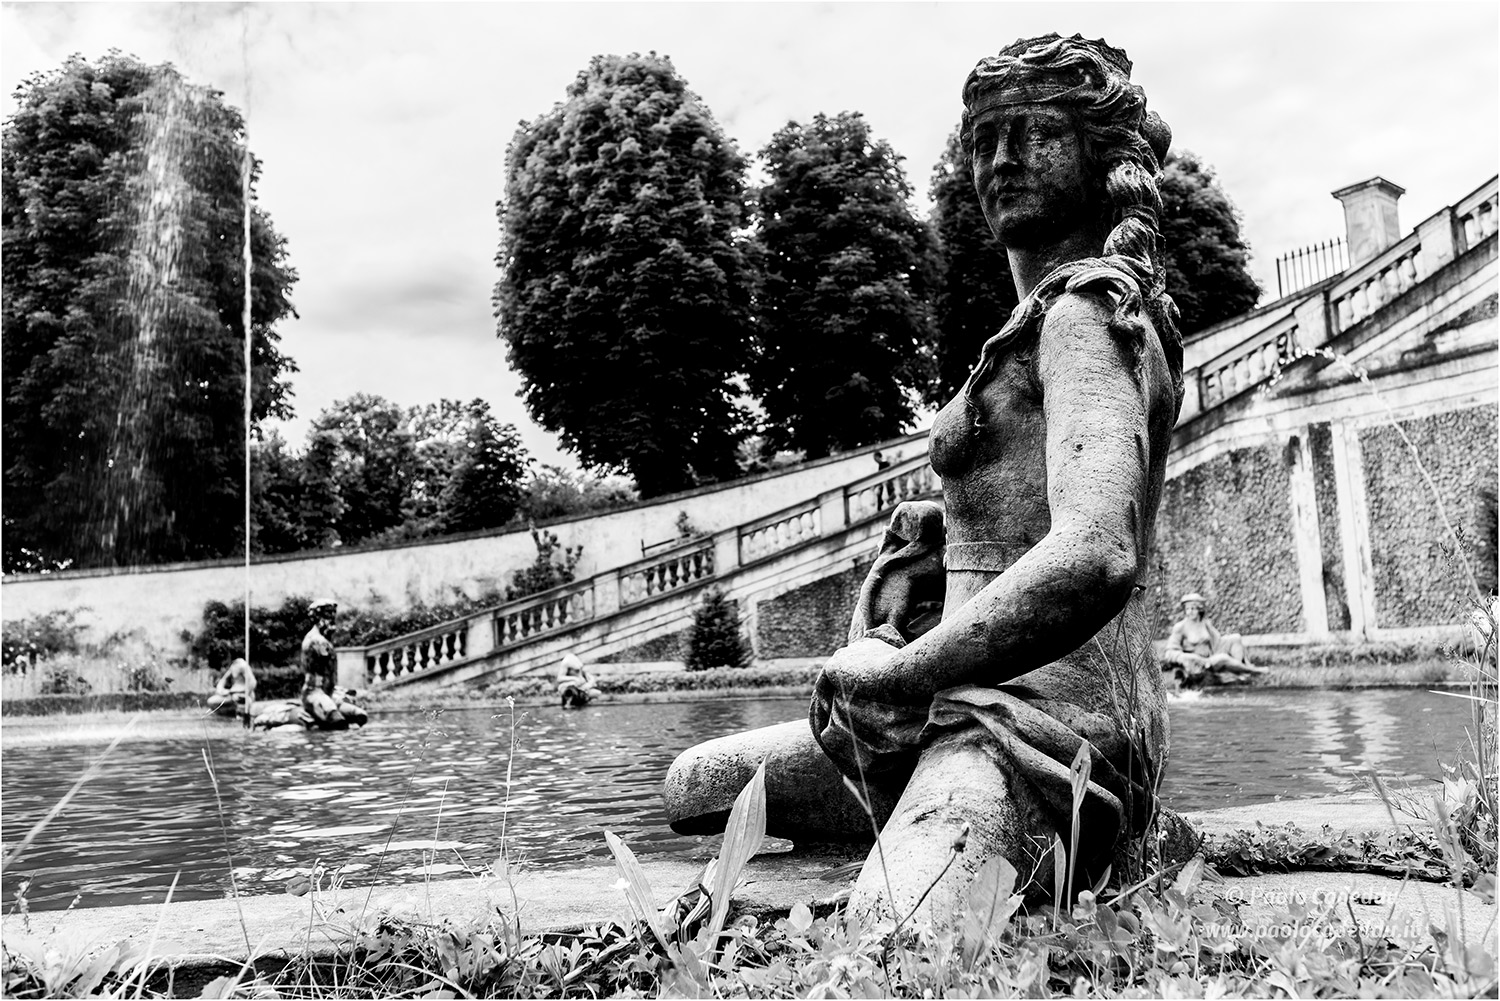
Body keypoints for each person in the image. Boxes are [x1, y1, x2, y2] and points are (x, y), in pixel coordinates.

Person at [665, 33, 1183, 923]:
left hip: (1045, 733)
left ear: (1102, 156)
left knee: (894, 930)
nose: (1000, 160)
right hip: (956, 703)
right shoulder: (1043, 318)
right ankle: (921, 804)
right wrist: (941, 544)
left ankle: (1004, 831)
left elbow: (1098, 549)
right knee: (698, 782)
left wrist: (903, 678)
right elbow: (1037, 511)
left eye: (1032, 132)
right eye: (984, 138)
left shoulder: (1086, 318)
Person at [1162, 592, 1267, 684]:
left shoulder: (1205, 624)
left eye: (1193, 608)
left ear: (1199, 609)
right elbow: (1170, 652)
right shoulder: (1180, 627)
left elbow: (1218, 642)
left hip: (1210, 656)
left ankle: (1238, 670)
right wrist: (1186, 657)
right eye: (1187, 609)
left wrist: (1226, 644)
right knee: (1222, 658)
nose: (1190, 612)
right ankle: (1251, 670)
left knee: (1236, 638)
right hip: (1199, 662)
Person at [301, 598, 344, 726]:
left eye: (333, 614)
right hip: (314, 693)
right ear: (317, 617)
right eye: (328, 613)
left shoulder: (325, 640)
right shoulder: (317, 640)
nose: (332, 618)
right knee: (338, 722)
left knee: (359, 715)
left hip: (328, 693)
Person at [208, 657, 256, 723]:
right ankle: (228, 714)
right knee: (211, 701)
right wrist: (221, 690)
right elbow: (223, 680)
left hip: (243, 694)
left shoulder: (244, 666)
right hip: (231, 693)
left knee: (238, 699)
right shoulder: (233, 666)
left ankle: (242, 714)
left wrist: (246, 692)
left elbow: (252, 682)